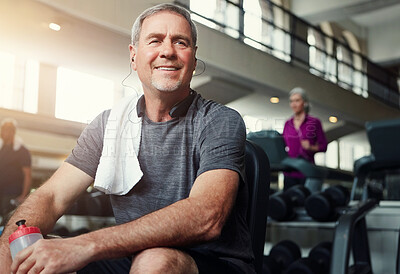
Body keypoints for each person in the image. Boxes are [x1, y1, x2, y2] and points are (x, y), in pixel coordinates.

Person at [0, 3, 254, 274]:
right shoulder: (109, 125)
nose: (167, 51)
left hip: (212, 263)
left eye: (181, 42)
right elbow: (51, 197)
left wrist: (85, 245)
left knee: (155, 260)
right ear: (133, 56)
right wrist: (8, 248)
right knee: (27, 255)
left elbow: (207, 215)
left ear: (193, 58)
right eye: (155, 40)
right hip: (135, 258)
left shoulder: (219, 121)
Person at [282, 87, 327, 191]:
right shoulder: (287, 124)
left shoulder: (314, 122)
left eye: (297, 100)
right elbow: (283, 145)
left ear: (305, 103)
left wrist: (311, 147)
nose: (294, 104)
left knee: (306, 203)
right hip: (289, 171)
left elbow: (324, 146)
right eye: (291, 101)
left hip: (307, 171)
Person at [0, 118, 32, 217]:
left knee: (7, 221)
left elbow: (28, 175)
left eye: (7, 129)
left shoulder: (22, 151)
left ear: (13, 131)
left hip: (12, 194)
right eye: (3, 129)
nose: (3, 132)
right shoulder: (1, 148)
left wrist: (23, 196)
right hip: (1, 192)